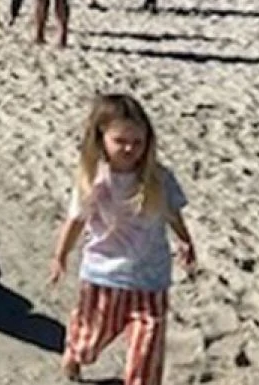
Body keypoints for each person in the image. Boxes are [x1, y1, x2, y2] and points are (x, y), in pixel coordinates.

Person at [49, 93, 198, 385]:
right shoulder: (94, 178)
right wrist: (60, 256)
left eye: (138, 142)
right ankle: (75, 353)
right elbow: (76, 221)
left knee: (146, 355)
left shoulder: (158, 177)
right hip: (105, 276)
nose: (130, 148)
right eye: (121, 141)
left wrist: (185, 241)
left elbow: (172, 213)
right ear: (102, 137)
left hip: (151, 280)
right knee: (90, 341)